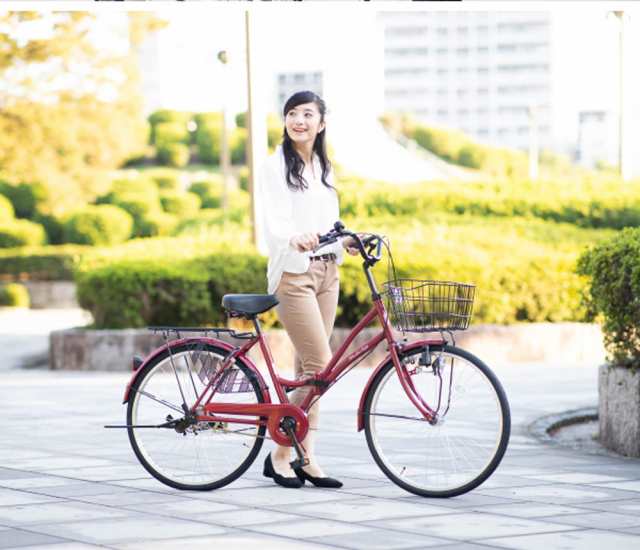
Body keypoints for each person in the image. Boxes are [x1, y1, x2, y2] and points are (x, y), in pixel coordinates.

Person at [258, 90, 358, 489]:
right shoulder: (275, 164)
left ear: (322, 122)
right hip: (294, 274)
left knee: (308, 373)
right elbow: (276, 219)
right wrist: (292, 237)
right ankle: (280, 454)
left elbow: (327, 224)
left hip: (327, 273)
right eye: (292, 113)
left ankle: (307, 457)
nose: (298, 120)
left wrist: (347, 240)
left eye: (307, 114)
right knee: (320, 365)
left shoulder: (322, 166)